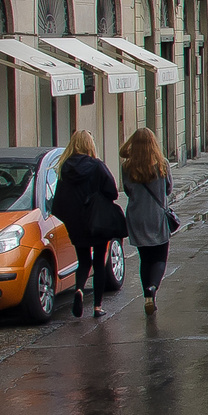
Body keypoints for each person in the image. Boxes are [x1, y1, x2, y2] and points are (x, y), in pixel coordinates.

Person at [50, 130, 122, 318]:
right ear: (90, 145)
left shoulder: (64, 169)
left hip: (76, 224)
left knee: (83, 262)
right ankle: (97, 307)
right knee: (99, 263)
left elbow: (58, 201)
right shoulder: (97, 166)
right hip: (97, 221)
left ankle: (79, 290)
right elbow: (113, 192)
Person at [120, 127, 176, 313]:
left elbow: (127, 191)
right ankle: (153, 287)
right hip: (157, 216)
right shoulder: (162, 164)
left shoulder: (127, 167)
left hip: (137, 217)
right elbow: (168, 189)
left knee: (144, 258)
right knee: (160, 257)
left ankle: (146, 295)